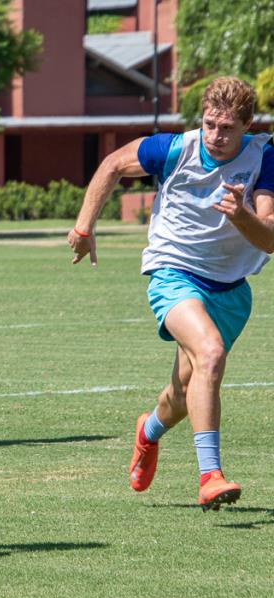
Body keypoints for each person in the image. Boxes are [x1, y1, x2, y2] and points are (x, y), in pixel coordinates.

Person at [68, 76, 274, 512]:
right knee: (210, 353)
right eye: (210, 124)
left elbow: (269, 238)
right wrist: (84, 227)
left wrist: (241, 217)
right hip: (173, 272)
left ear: (247, 125)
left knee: (183, 393)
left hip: (231, 291)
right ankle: (210, 476)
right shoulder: (174, 148)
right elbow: (112, 164)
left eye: (227, 128)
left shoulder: (264, 158)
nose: (216, 136)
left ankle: (148, 433)